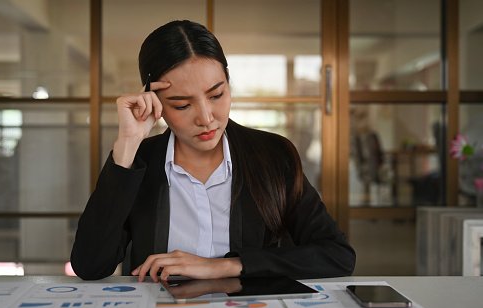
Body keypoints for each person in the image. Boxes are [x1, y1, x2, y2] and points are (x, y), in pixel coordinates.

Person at [70, 20, 356, 282]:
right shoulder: (139, 162)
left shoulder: (273, 156)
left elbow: (337, 255)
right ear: (153, 101)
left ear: (228, 80)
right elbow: (90, 265)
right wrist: (127, 144)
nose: (206, 118)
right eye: (182, 104)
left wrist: (222, 266)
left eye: (216, 95)